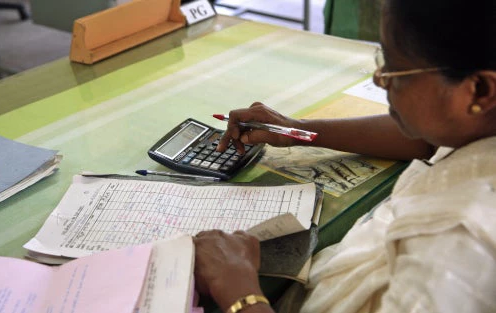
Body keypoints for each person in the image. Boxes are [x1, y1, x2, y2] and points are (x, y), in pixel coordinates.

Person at [193, 0, 496, 312]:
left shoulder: (457, 248)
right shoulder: (478, 125)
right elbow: (423, 140)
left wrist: (238, 290)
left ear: (480, 91)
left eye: (395, 68)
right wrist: (298, 129)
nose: (379, 79)